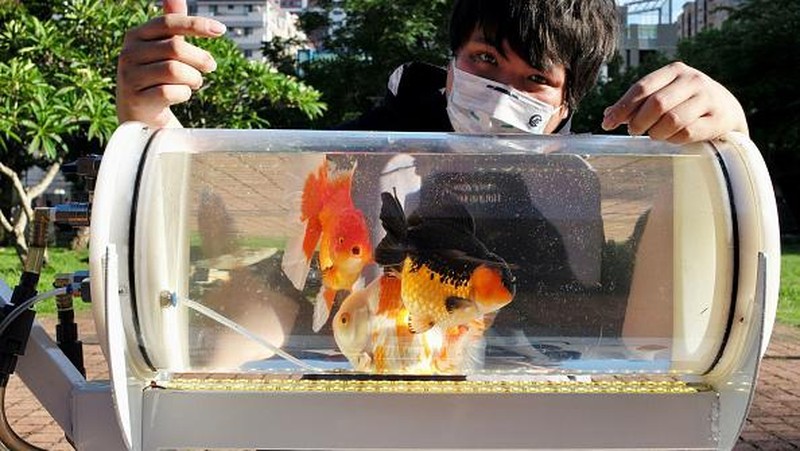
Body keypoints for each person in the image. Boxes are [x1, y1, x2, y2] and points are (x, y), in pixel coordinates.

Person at [117, 0, 749, 144]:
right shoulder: (371, 142)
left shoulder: (593, 170)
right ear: (449, 69)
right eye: (484, 60)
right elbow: (266, 173)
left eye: (535, 80)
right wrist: (148, 115)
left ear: (566, 103)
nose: (501, 91)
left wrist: (729, 134)